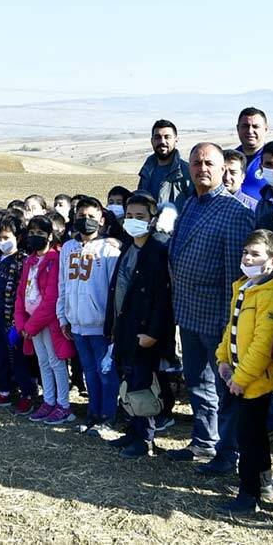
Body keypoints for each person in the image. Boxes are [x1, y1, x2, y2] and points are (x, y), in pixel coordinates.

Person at [166, 143, 254, 475]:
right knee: (197, 383)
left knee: (225, 388)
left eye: (209, 163)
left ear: (222, 169)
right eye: (196, 162)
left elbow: (236, 278)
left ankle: (229, 452)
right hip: (189, 314)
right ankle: (203, 441)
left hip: (218, 318)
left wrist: (230, 324)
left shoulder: (234, 213)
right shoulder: (190, 203)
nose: (202, 168)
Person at [215, 229, 273, 512]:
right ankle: (264, 482)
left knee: (249, 437)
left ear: (272, 261)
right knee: (253, 434)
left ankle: (249, 493)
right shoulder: (245, 285)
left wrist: (241, 378)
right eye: (246, 252)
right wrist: (223, 358)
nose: (247, 258)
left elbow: (263, 343)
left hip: (255, 381)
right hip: (237, 374)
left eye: (255, 254)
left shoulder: (272, 293)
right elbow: (232, 327)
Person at [106, 191, 174, 459]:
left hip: (144, 330)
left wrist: (153, 332)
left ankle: (145, 437)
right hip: (125, 327)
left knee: (143, 384)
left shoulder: (157, 250)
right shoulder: (128, 246)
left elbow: (162, 297)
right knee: (128, 380)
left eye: (140, 216)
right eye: (129, 215)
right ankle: (133, 430)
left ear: (152, 219)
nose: (133, 220)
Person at [57, 196, 123, 436]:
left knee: (105, 372)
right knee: (89, 372)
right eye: (81, 216)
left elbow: (115, 290)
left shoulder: (109, 250)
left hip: (100, 325)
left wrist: (113, 324)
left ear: (102, 220)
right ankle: (93, 413)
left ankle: (108, 416)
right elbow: (63, 284)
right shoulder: (68, 248)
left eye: (91, 217)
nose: (86, 220)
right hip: (76, 323)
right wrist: (63, 316)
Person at [14, 215, 76, 425]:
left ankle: (63, 405)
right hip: (32, 323)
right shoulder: (29, 261)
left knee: (56, 362)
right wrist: (22, 323)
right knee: (43, 361)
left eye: (40, 233)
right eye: (32, 233)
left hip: (48, 323)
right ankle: (48, 401)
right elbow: (21, 293)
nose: (35, 236)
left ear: (50, 236)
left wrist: (30, 326)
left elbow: (51, 299)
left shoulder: (54, 260)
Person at [0, 214, 38, 412]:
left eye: (6, 237)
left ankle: (27, 394)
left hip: (13, 319)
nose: (2, 241)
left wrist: (17, 322)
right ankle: (4, 391)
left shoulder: (22, 260)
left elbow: (22, 293)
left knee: (19, 359)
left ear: (18, 237)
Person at [137, 119, 193, 230]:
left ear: (176, 140)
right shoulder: (146, 171)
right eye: (157, 137)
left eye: (167, 137)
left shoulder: (187, 172)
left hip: (177, 235)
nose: (162, 141)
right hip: (147, 233)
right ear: (152, 141)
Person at [236, 107, 270, 198]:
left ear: (265, 129)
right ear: (238, 128)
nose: (250, 131)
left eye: (255, 126)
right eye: (245, 126)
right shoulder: (228, 159)